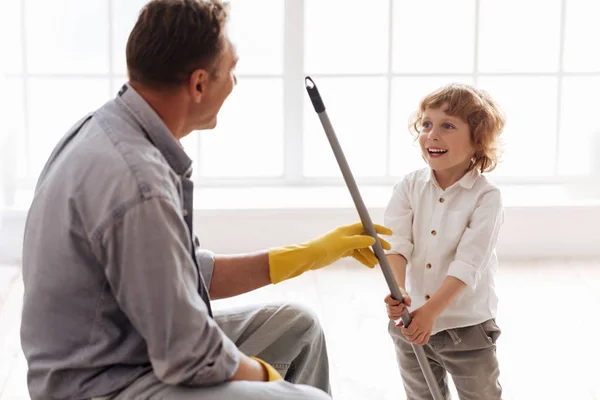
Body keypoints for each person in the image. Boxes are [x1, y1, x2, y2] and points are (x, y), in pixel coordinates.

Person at [19, 1, 392, 399]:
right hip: (104, 387)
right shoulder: (139, 182)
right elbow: (189, 354)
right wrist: (267, 379)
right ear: (198, 84)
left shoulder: (107, 130)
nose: (235, 83)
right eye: (231, 71)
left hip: (131, 351)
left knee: (297, 329)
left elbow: (185, 276)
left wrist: (309, 254)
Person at [383, 83, 506, 400]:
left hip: (467, 329)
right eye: (426, 124)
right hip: (410, 325)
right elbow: (396, 246)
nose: (431, 135)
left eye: (447, 126)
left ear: (478, 140)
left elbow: (468, 264)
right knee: (421, 395)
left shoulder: (486, 198)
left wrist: (432, 311)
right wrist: (399, 294)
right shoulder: (409, 187)